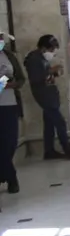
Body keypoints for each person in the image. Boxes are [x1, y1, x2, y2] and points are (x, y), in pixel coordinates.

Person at [23, 35, 70, 162]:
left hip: (48, 95)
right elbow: (37, 79)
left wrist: (52, 73)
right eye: (52, 49)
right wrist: (51, 71)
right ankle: (68, 149)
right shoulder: (34, 59)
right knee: (60, 122)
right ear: (44, 47)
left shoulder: (40, 58)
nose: (53, 52)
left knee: (49, 123)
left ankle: (49, 151)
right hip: (44, 96)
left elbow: (44, 77)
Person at [0, 31, 24, 194]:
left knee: (9, 144)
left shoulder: (8, 55)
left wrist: (11, 84)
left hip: (9, 104)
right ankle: (11, 177)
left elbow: (21, 78)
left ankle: (6, 173)